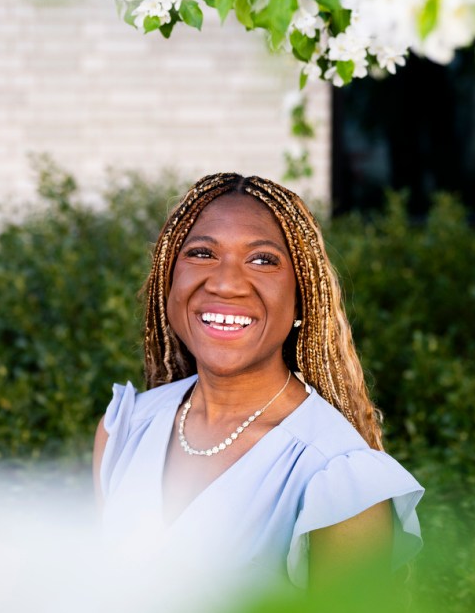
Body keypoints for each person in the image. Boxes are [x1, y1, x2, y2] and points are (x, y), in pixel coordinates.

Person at [92, 173, 423, 590]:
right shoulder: (124, 430)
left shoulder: (335, 480)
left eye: (263, 260)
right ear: (169, 282)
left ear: (302, 295)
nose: (226, 283)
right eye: (201, 253)